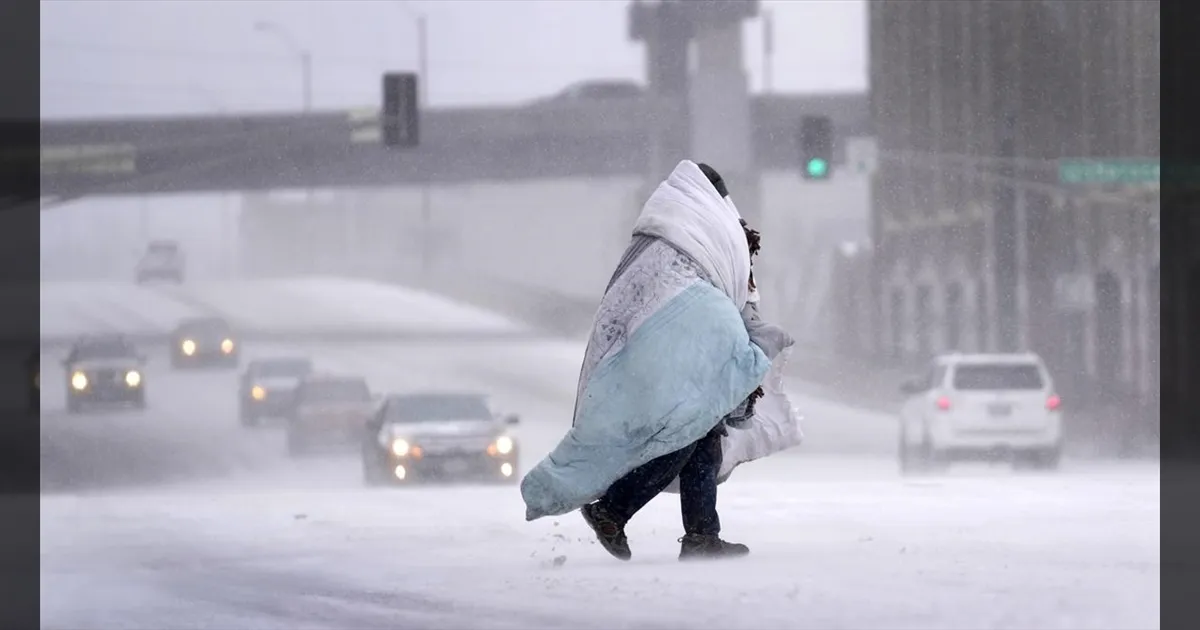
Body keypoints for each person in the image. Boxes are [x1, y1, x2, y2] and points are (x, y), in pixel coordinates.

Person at [520, 160, 797, 562]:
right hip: (671, 350)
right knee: (685, 432)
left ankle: (702, 534)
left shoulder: (663, 235)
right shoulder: (701, 232)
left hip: (654, 350)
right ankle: (613, 510)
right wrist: (747, 343)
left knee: (702, 435)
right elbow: (717, 295)